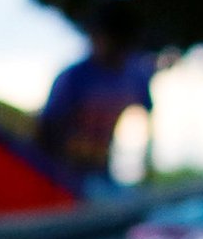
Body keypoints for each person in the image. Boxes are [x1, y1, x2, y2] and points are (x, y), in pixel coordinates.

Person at [37, 25, 154, 185]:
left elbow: (148, 117)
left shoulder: (135, 75)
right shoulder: (74, 76)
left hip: (102, 170)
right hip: (64, 172)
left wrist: (145, 172)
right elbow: (46, 128)